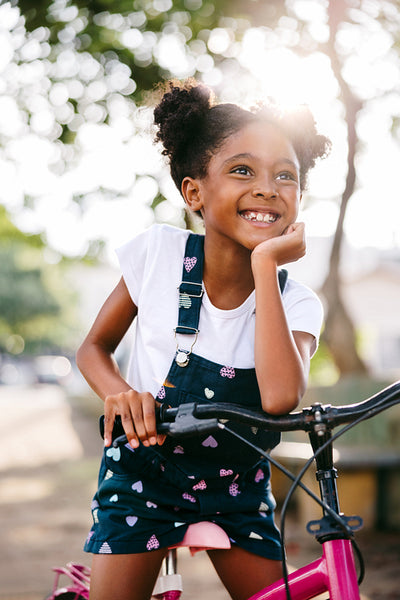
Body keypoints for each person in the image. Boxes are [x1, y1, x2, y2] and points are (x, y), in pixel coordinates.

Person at [76, 78, 331, 600]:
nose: (267, 187)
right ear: (194, 191)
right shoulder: (158, 255)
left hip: (237, 489)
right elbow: (92, 348)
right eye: (243, 170)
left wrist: (265, 265)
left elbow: (281, 398)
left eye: (286, 176)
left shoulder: (298, 302)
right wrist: (118, 393)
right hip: (143, 476)